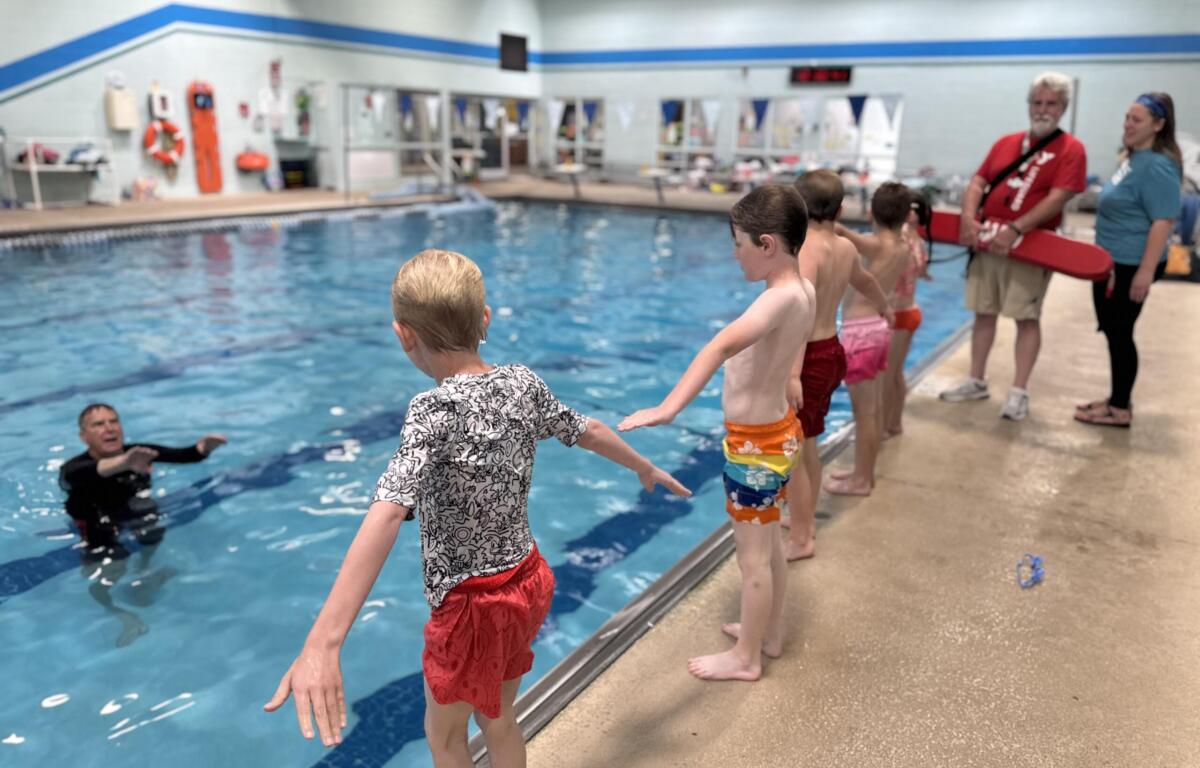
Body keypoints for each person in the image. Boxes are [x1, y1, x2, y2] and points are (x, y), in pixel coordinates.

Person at [264, 249, 690, 765]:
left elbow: (388, 510)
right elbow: (589, 430)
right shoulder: (522, 383)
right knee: (499, 716)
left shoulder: (432, 410)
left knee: (444, 737)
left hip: (471, 605)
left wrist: (324, 642)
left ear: (404, 335)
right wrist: (642, 466)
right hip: (528, 581)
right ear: (484, 319)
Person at [619, 185, 815, 681]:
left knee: (752, 563)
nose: (734, 255)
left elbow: (717, 347)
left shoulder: (773, 302)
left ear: (767, 244)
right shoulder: (802, 291)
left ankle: (745, 659)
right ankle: (766, 636)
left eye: (739, 244)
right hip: (777, 436)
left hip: (756, 449)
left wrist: (667, 408)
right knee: (770, 548)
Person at [939, 71, 1087, 420]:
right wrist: (967, 216)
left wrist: (1018, 228)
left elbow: (1059, 197)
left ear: (1063, 107)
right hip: (988, 242)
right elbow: (978, 181)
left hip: (1031, 246)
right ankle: (976, 379)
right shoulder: (1005, 143)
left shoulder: (1071, 150)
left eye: (1050, 103)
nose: (1042, 109)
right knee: (983, 312)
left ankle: (1019, 391)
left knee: (1026, 317)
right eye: (1037, 102)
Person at [781, 170, 891, 559]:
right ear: (841, 209)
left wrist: (792, 371)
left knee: (795, 449)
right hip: (831, 350)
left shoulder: (806, 249)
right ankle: (802, 514)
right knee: (807, 442)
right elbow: (865, 281)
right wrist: (885, 307)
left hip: (806, 355)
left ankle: (802, 536)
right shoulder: (844, 247)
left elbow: (801, 309)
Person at [59, 403, 226, 645]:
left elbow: (184, 455)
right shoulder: (73, 468)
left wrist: (204, 448)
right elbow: (85, 473)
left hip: (130, 513)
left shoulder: (137, 453)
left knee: (151, 522)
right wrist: (124, 463)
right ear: (84, 437)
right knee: (108, 568)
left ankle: (144, 570)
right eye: (98, 424)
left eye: (113, 421)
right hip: (97, 522)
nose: (109, 428)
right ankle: (120, 613)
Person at [1076, 92, 1182, 428]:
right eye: (1126, 118)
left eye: (1136, 120)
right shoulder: (1132, 158)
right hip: (1112, 261)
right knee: (1114, 331)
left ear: (1158, 125)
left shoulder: (1159, 166)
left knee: (1120, 332)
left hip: (1132, 263)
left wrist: (1145, 272)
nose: (1128, 125)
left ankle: (1120, 407)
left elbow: (1163, 221)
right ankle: (1115, 398)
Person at [824, 182, 911, 497]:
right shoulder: (903, 247)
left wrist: (823, 217)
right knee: (871, 411)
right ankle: (864, 474)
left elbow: (846, 234)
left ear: (873, 212)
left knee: (864, 414)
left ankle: (861, 481)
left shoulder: (880, 245)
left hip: (860, 333)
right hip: (879, 329)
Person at [881, 192, 932, 437]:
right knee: (894, 373)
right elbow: (920, 272)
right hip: (907, 312)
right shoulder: (919, 242)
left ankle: (885, 424)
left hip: (900, 314)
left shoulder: (902, 239)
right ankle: (894, 422)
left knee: (889, 376)